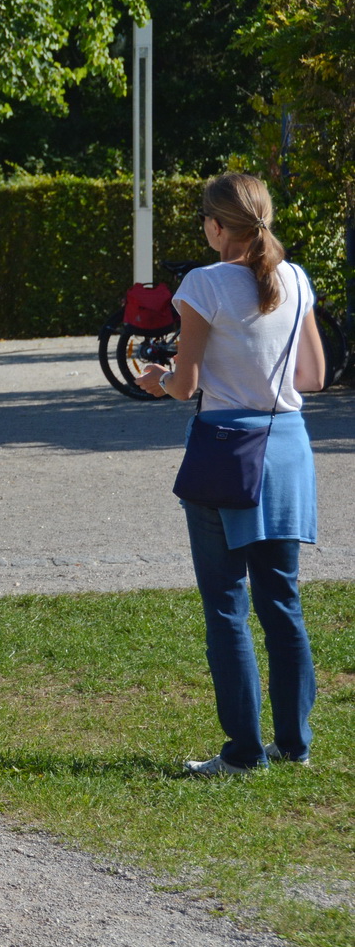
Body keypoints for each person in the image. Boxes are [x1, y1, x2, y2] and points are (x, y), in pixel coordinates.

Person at [136, 173, 325, 775]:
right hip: (288, 447)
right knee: (282, 603)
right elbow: (313, 376)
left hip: (227, 449)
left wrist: (157, 380)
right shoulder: (295, 278)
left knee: (225, 603)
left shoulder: (204, 283)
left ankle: (244, 752)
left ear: (217, 227)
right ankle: (294, 744)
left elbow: (185, 384)